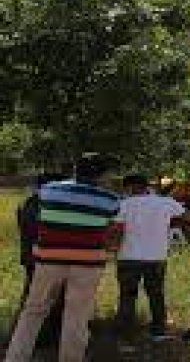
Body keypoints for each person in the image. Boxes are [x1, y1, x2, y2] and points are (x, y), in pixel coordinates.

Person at [5, 153, 122, 362]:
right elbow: (111, 231)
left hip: (49, 261)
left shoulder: (48, 191)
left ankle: (15, 358)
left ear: (76, 170)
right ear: (101, 175)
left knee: (33, 312)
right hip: (88, 264)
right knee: (76, 316)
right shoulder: (110, 200)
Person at [115, 174, 186, 340]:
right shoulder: (165, 202)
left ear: (131, 187)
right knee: (156, 295)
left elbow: (116, 228)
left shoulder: (123, 204)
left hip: (128, 257)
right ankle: (158, 332)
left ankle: (125, 335)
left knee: (127, 296)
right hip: (156, 257)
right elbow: (189, 216)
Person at [13, 173, 67, 350]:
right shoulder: (38, 205)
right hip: (41, 259)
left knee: (40, 300)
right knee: (39, 302)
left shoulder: (31, 202)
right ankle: (37, 340)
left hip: (35, 258)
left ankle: (44, 338)